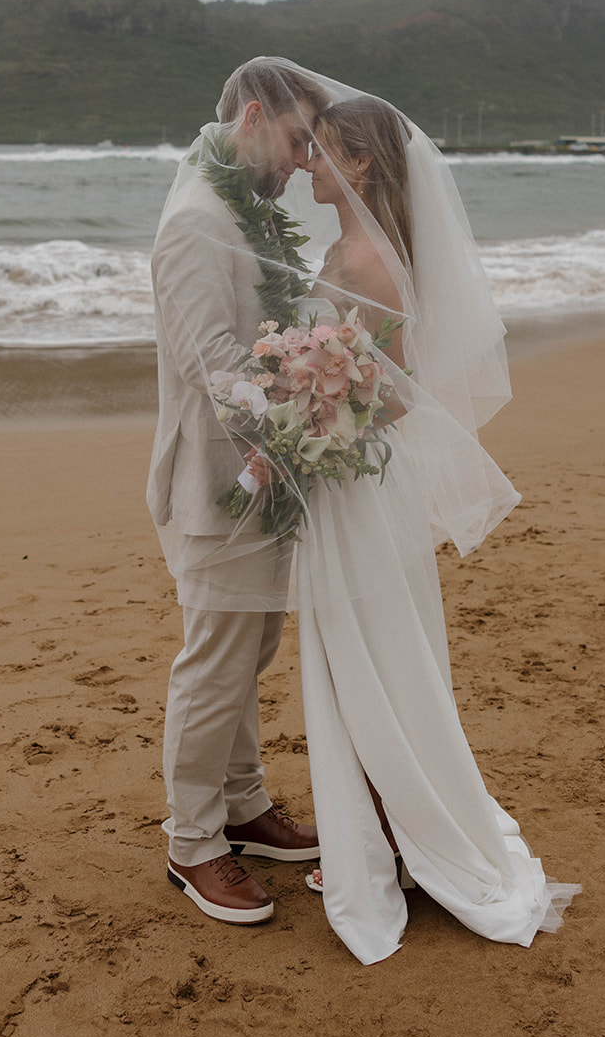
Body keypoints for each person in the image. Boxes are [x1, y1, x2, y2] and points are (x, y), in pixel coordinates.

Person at [291, 87, 581, 965]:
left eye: (320, 149)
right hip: (340, 477)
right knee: (364, 658)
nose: (305, 162)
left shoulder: (370, 260)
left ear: (363, 162)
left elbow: (389, 392)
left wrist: (302, 413)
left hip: (354, 479)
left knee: (376, 657)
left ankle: (401, 832)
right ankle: (382, 825)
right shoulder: (350, 245)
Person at [147, 60, 327, 925]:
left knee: (250, 649)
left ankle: (244, 805)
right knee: (216, 658)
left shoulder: (240, 209)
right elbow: (211, 367)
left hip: (266, 473)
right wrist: (311, 404)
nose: (300, 162)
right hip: (215, 479)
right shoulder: (194, 220)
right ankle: (191, 844)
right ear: (253, 117)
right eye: (296, 141)